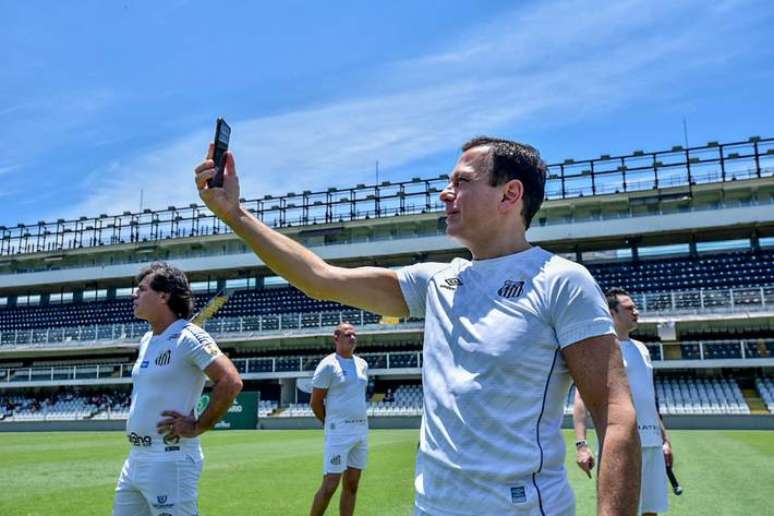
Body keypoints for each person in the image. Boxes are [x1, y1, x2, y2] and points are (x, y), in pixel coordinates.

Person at [194, 136, 641, 515]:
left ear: (510, 195)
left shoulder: (561, 280)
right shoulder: (438, 280)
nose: (446, 193)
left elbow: (615, 413)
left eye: (461, 182)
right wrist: (236, 214)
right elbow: (320, 279)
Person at [113, 262, 243, 516]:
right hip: (136, 457)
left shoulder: (188, 336)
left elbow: (230, 381)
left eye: (142, 289)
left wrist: (199, 426)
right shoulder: (147, 339)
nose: (134, 295)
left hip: (170, 457)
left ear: (164, 295)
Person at [573, 287, 673, 515]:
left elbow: (649, 399)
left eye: (635, 307)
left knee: (651, 510)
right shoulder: (602, 350)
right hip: (621, 444)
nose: (636, 312)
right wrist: (582, 445)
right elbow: (581, 400)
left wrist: (664, 439)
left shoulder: (642, 349)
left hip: (652, 442)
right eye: (629, 308)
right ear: (612, 313)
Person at [309, 323, 370, 516]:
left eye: (354, 335)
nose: (352, 338)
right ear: (336, 338)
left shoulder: (362, 364)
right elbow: (315, 402)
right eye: (347, 335)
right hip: (339, 433)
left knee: (352, 485)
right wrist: (329, 423)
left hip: (361, 432)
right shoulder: (328, 365)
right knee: (330, 485)